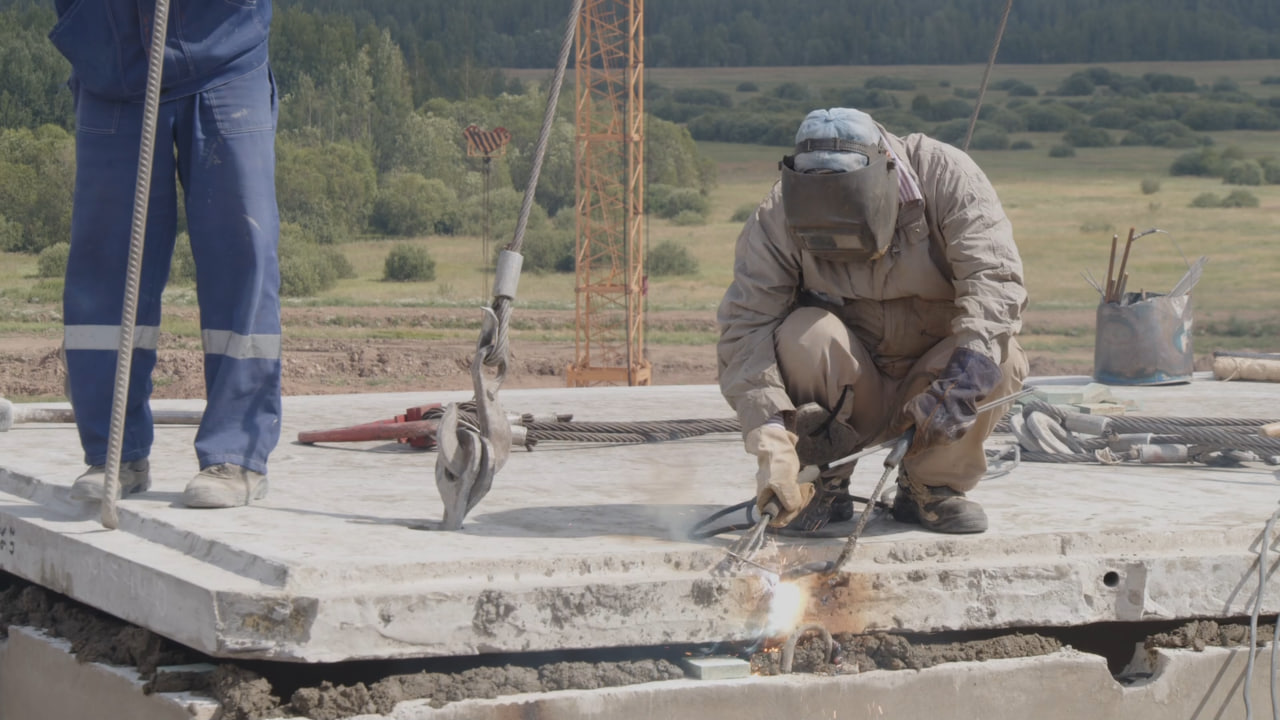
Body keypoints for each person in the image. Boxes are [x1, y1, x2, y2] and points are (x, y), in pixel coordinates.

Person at [717, 107, 1028, 535]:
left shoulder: (946, 175)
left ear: (886, 171)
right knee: (802, 336)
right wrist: (771, 433)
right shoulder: (778, 213)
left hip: (933, 386)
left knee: (999, 357)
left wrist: (958, 387)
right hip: (851, 387)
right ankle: (821, 483)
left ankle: (930, 486)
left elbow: (995, 284)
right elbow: (746, 326)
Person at [49, 0, 282, 508]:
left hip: (224, 51)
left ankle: (235, 453)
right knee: (105, 269)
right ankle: (114, 453)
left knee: (242, 256)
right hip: (111, 62)